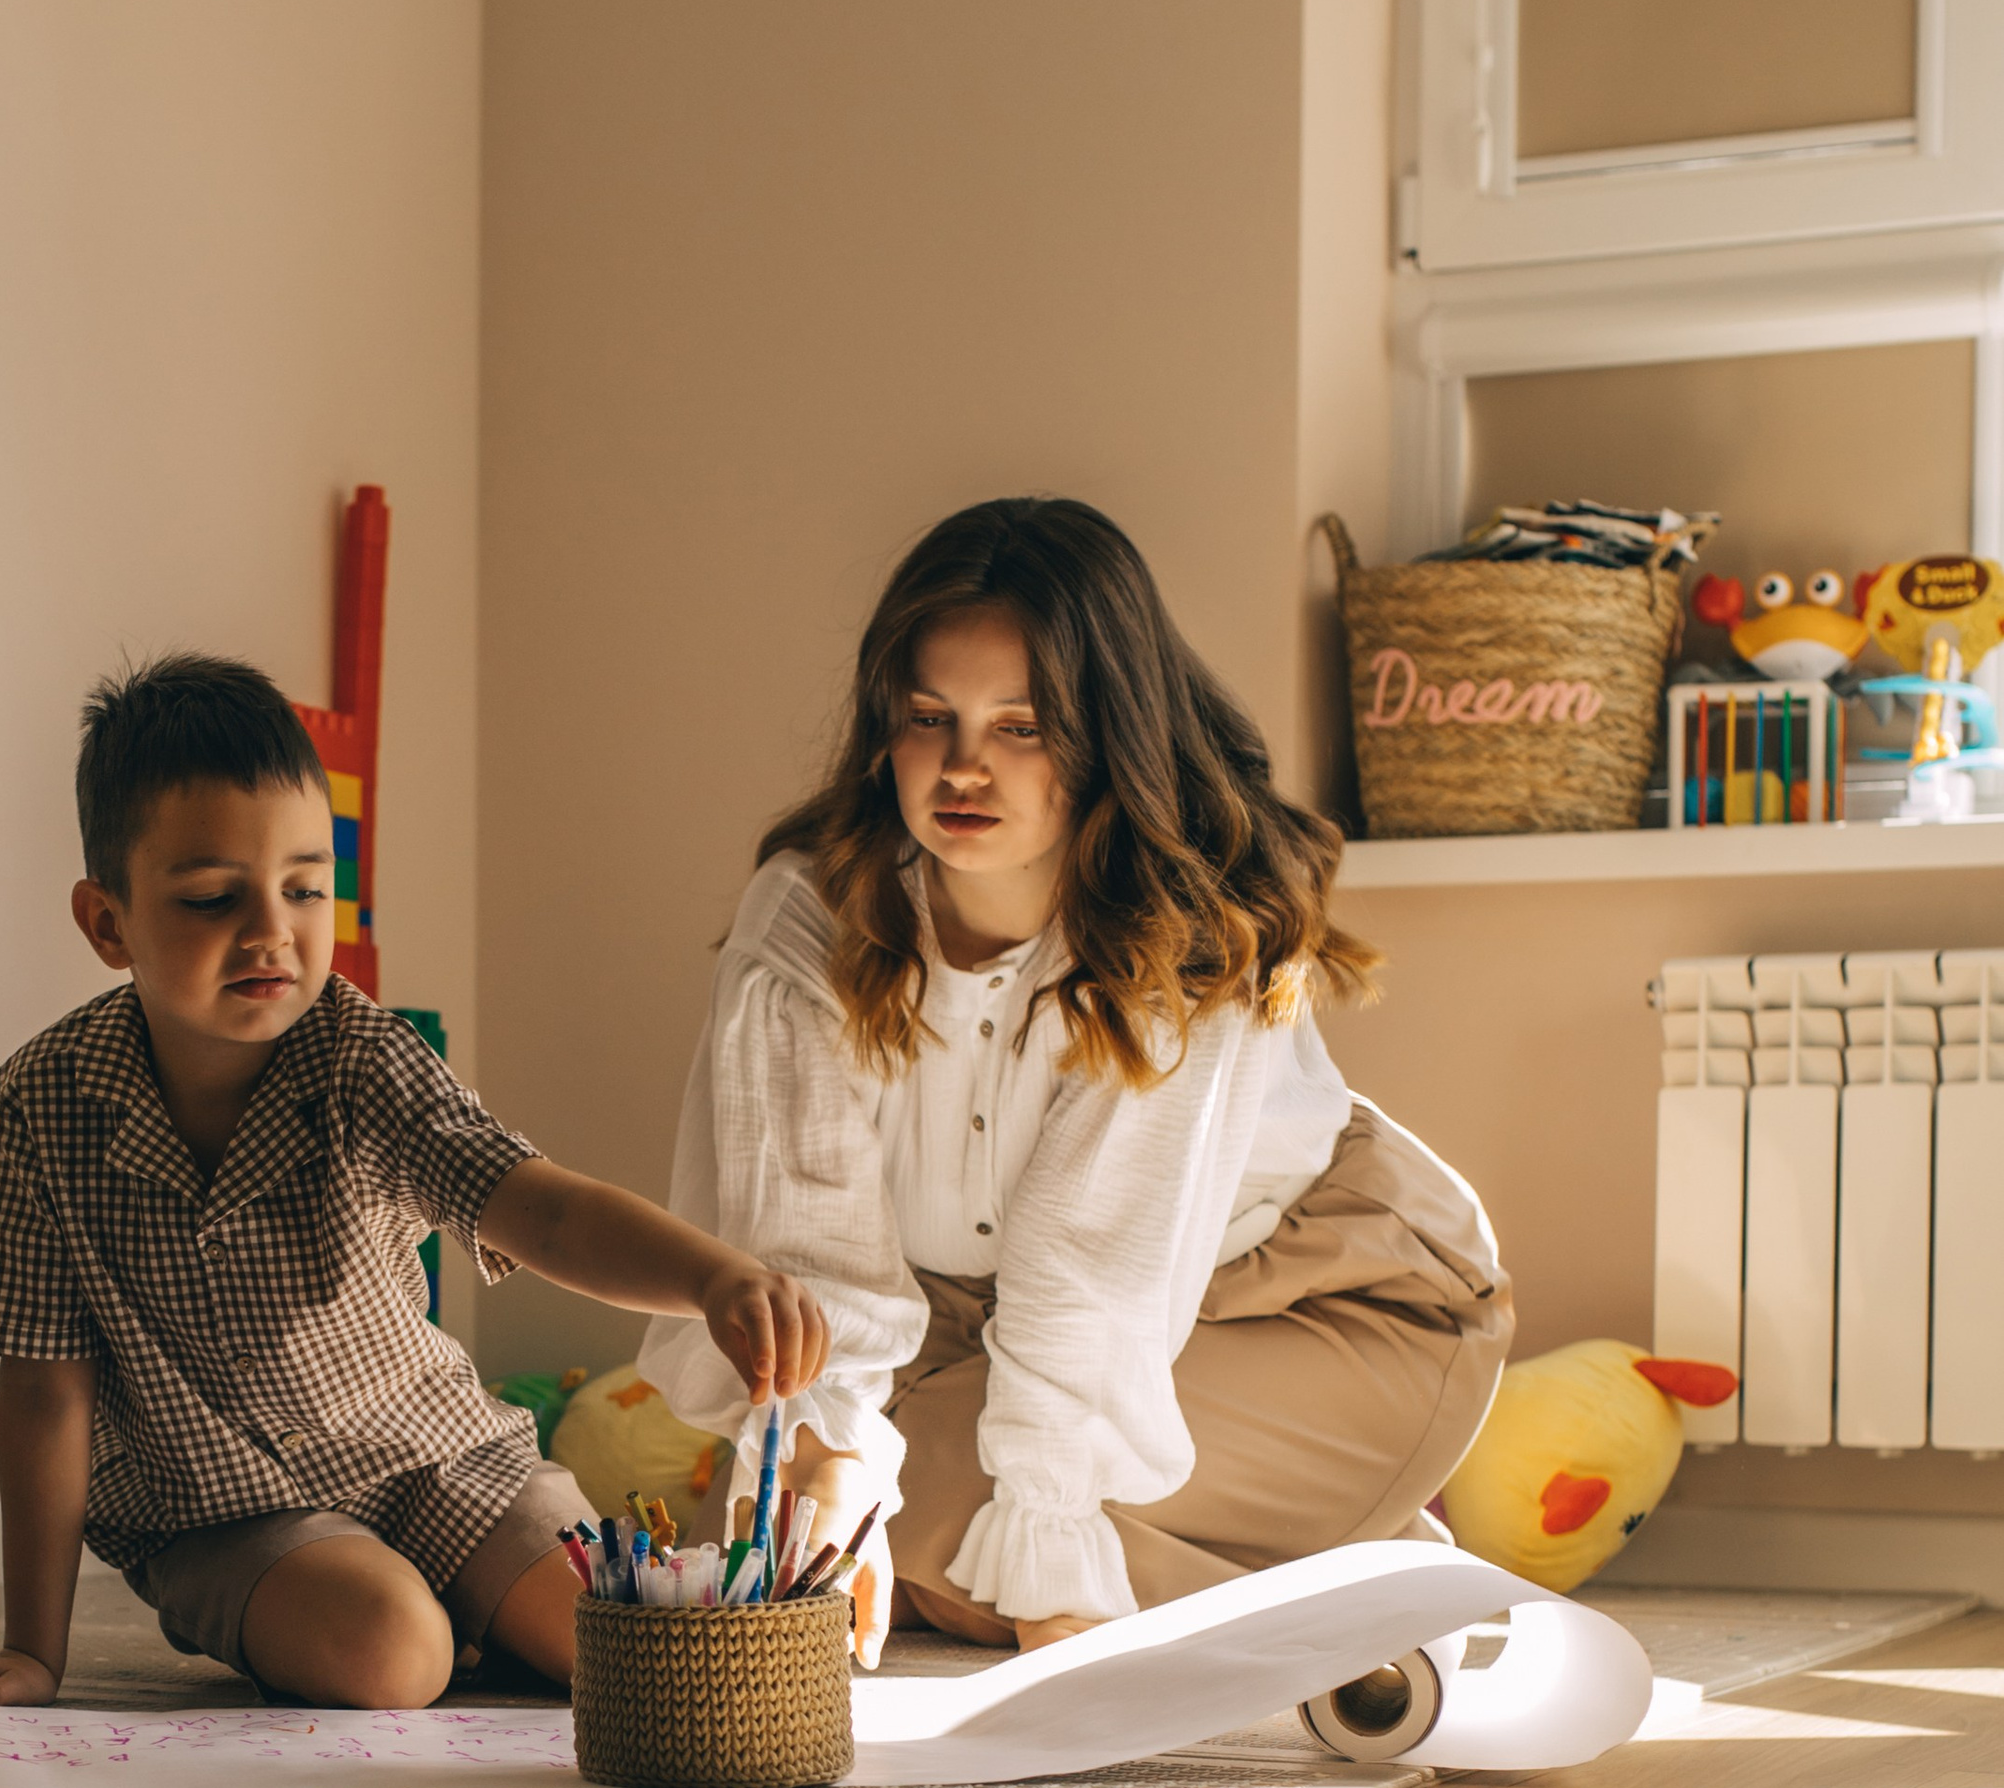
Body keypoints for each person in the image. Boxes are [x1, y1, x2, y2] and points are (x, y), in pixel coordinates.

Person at [0, 653, 823, 1716]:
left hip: (443, 1465)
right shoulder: (34, 1110)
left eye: (306, 888)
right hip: (223, 1515)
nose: (272, 931)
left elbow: (541, 1207)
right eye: (212, 898)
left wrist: (714, 1277)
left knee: (639, 1645)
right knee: (389, 1655)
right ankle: (443, 1627)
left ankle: (484, 1614)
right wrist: (30, 1652)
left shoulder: (364, 1058)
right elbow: (44, 1392)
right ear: (107, 924)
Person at [638, 498, 1510, 1666]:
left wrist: (1053, 1583)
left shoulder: (1188, 926)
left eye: (1022, 726)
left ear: (1107, 733)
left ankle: (1369, 1557)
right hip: (984, 1317)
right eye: (928, 719)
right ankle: (1329, 1555)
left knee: (961, 1518)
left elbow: (1090, 1263)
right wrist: (827, 1454)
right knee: (769, 1537)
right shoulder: (811, 918)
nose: (962, 767)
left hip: (1313, 1301)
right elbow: (805, 1237)